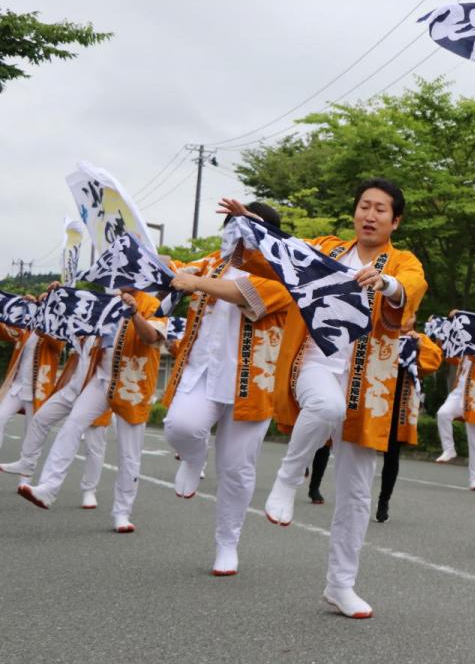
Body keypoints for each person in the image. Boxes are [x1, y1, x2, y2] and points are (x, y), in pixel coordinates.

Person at [221, 178, 427, 620]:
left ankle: (341, 585)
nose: (370, 215)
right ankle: (288, 479)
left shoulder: (404, 261)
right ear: (355, 212)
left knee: (356, 495)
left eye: (380, 209)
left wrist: (387, 283)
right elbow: (280, 255)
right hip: (313, 364)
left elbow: (409, 288)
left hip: (367, 386)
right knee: (327, 406)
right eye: (364, 206)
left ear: (395, 221)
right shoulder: (327, 249)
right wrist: (254, 226)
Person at [160, 200, 294, 576]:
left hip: (252, 383)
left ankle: (227, 544)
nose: (238, 232)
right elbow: (171, 271)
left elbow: (241, 293)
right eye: (234, 224)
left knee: (237, 469)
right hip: (203, 370)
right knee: (180, 427)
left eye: (248, 226)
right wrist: (146, 253)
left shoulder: (282, 273)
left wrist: (195, 282)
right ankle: (193, 458)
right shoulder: (212, 263)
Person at [19, 288, 166, 534]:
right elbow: (70, 320)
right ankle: (48, 488)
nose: (118, 279)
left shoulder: (152, 304)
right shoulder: (104, 301)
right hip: (101, 378)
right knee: (73, 424)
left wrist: (134, 313)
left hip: (132, 383)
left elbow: (152, 337)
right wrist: (57, 295)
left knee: (129, 454)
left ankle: (122, 512)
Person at [0, 333, 112, 507]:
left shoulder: (112, 329)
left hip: (97, 393)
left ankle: (89, 490)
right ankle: (27, 463)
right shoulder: (82, 327)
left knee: (94, 446)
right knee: (40, 419)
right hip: (72, 388)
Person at [377, 321, 443, 523]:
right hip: (377, 401)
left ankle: (384, 500)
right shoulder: (381, 332)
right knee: (363, 454)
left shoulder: (419, 339)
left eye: (411, 314)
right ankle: (357, 499)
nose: (405, 318)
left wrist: (419, 346)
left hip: (400, 404)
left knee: (392, 455)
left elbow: (434, 362)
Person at [0, 311, 65, 460]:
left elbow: (59, 346)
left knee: (31, 433)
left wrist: (45, 332)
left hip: (37, 391)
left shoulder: (56, 328)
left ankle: (26, 470)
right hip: (16, 388)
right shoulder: (25, 330)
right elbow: (6, 331)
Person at [435, 344, 475, 491]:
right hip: (458, 394)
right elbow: (450, 356)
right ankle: (449, 449)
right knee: (442, 414)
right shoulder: (465, 347)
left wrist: (472, 351)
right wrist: (442, 341)